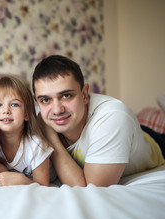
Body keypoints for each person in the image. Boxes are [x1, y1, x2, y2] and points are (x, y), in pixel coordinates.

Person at [32, 55, 165, 187]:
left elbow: (92, 188)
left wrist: (51, 139)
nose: (56, 110)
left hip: (157, 144)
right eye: (45, 100)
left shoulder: (113, 117)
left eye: (66, 96)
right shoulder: (34, 119)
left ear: (84, 95)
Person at [0, 76, 56, 186]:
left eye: (14, 104)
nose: (6, 111)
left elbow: (43, 185)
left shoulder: (35, 145)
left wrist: (23, 182)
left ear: (26, 114)